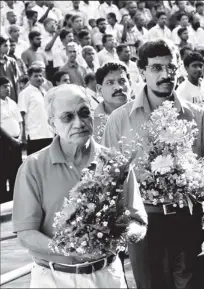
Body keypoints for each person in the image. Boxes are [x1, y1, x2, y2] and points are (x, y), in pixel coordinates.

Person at [101, 39, 204, 289]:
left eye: (170, 67)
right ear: (142, 71)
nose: (165, 74)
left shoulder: (197, 115)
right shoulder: (119, 119)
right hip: (145, 226)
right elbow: (107, 179)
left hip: (189, 221)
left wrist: (196, 182)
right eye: (156, 68)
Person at [12, 83, 147, 288]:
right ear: (51, 124)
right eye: (67, 117)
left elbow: (138, 220)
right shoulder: (33, 167)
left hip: (107, 275)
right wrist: (67, 248)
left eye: (84, 113)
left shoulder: (115, 162)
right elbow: (25, 233)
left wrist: (118, 237)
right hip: (54, 278)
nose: (79, 123)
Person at [18, 66, 54, 155]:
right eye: (35, 76)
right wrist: (23, 136)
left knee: (48, 163)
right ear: (29, 78)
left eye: (40, 75)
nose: (39, 78)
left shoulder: (45, 92)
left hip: (48, 133)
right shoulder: (25, 93)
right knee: (35, 164)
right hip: (35, 135)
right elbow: (21, 115)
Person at [94, 62, 131, 142]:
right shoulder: (91, 123)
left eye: (122, 81)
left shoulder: (147, 113)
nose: (118, 87)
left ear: (130, 84)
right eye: (110, 82)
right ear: (100, 90)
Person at [0, 76, 22, 203]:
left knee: (16, 169)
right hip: (4, 142)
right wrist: (11, 140)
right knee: (3, 170)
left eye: (9, 86)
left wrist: (19, 136)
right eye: (4, 86)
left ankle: (14, 198)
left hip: (16, 141)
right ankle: (3, 198)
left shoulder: (13, 102)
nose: (8, 89)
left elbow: (19, 121)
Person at [0, 36, 20, 102]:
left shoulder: (12, 61)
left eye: (9, 45)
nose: (8, 48)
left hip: (12, 95)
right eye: (5, 45)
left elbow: (17, 81)